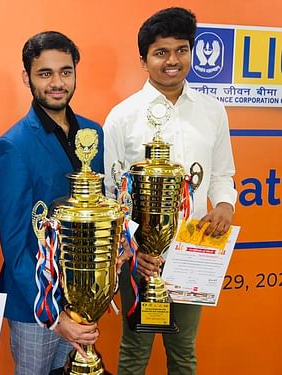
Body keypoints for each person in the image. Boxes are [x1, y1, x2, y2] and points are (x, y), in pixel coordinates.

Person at [103, 7, 237, 375]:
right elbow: (113, 193)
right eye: (161, 52)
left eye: (181, 50)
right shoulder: (122, 116)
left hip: (194, 250)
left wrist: (225, 205)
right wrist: (132, 250)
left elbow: (223, 173)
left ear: (192, 52)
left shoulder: (213, 111)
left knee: (183, 352)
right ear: (144, 60)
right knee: (134, 351)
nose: (172, 61)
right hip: (140, 260)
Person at [0, 31, 104, 375]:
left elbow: (101, 209)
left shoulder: (92, 133)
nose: (57, 82)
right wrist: (54, 316)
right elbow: (13, 244)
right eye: (45, 73)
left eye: (65, 72)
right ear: (27, 77)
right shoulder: (13, 145)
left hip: (84, 298)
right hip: (35, 306)